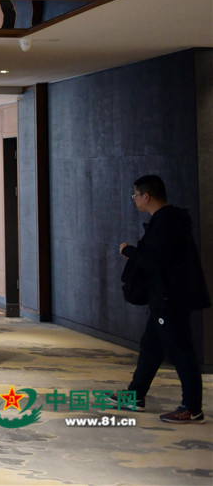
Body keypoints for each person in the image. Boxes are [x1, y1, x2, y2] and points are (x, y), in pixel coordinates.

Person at [117, 175, 209, 423]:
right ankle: (135, 396)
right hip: (165, 297)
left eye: (135, 195)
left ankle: (192, 408)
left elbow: (155, 261)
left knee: (181, 352)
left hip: (170, 298)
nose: (134, 199)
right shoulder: (168, 220)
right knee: (151, 347)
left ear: (146, 196)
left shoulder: (167, 222)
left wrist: (129, 251)